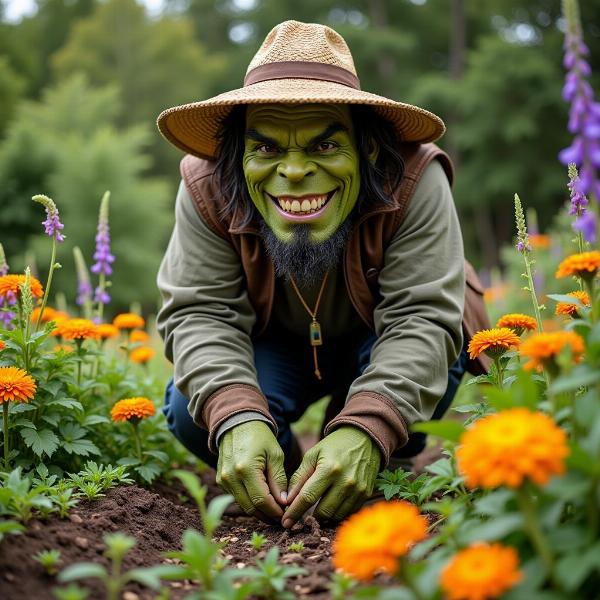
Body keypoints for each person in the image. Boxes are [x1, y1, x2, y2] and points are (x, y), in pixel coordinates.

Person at [156, 20, 489, 529]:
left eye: (324, 146)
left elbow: (423, 317)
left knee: (437, 363)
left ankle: (377, 461)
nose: (292, 171)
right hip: (276, 345)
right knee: (192, 410)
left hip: (380, 335)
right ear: (238, 154)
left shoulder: (416, 177)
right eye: (266, 148)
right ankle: (289, 478)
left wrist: (368, 426)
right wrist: (239, 417)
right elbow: (200, 311)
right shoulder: (207, 187)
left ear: (368, 149)